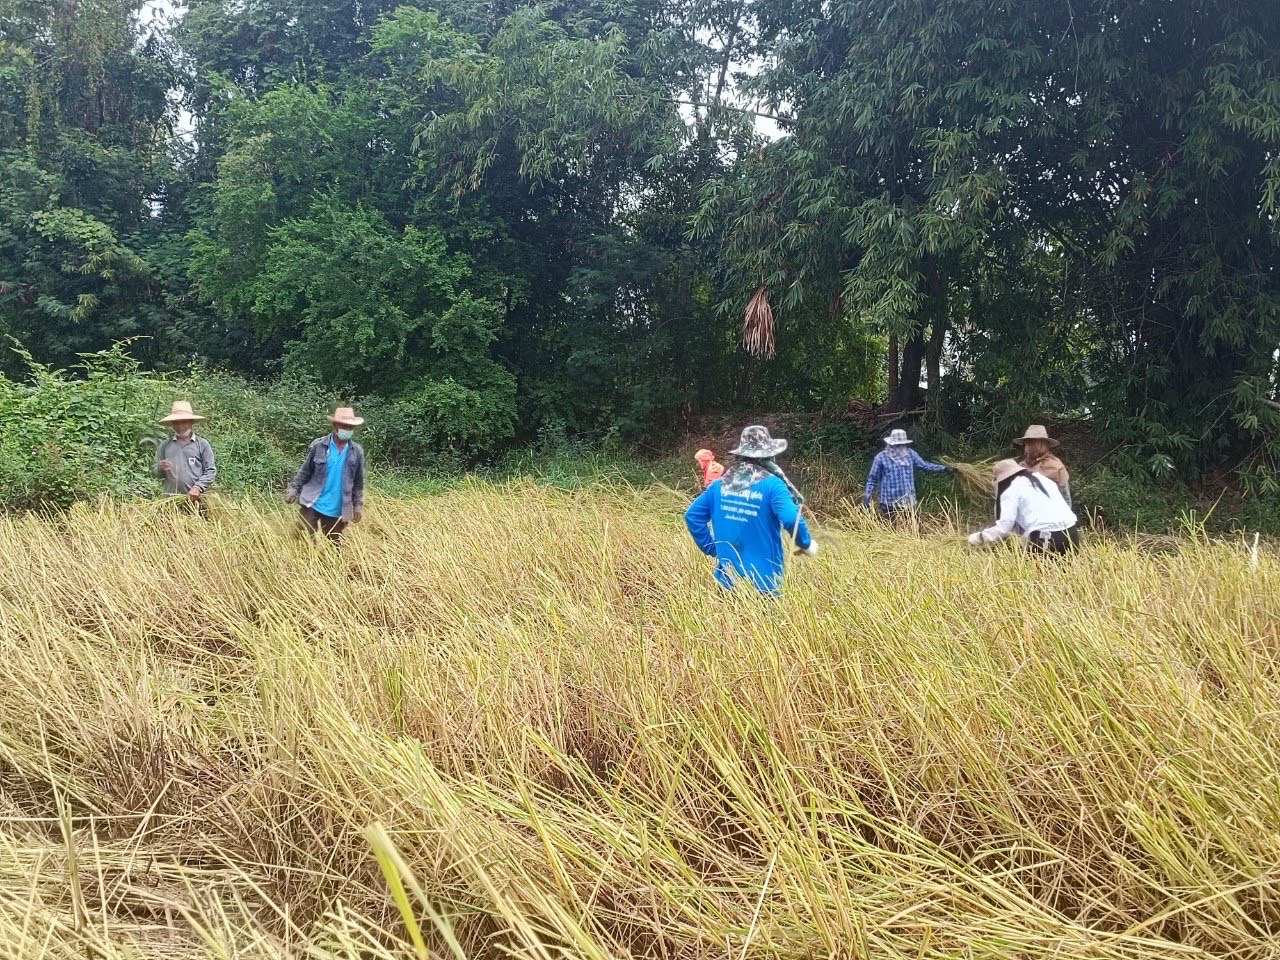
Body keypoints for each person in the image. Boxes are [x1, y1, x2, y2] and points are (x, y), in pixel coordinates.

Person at [685, 425, 817, 596]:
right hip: (765, 586)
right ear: (769, 456)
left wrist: (712, 548)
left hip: (727, 583)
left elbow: (692, 516)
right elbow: (792, 518)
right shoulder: (773, 486)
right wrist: (806, 544)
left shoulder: (719, 485)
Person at [285, 406, 366, 541]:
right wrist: (293, 489)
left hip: (337, 508)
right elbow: (305, 471)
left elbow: (358, 483)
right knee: (303, 536)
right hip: (313, 501)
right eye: (343, 426)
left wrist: (357, 506)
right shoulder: (319, 446)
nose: (347, 429)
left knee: (333, 543)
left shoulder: (356, 452)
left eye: (350, 427)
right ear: (335, 425)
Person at [967, 459, 1079, 554]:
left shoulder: (1010, 491)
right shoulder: (1043, 479)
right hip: (1071, 532)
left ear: (1002, 480)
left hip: (1046, 536)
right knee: (1066, 571)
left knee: (1038, 573)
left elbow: (1004, 527)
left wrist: (980, 537)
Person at [862, 428, 953, 519]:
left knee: (913, 527)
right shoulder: (881, 458)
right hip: (889, 504)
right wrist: (867, 499)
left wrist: (944, 468)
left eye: (901, 445)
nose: (899, 448)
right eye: (896, 445)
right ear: (891, 444)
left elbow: (924, 465)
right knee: (890, 527)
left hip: (908, 503)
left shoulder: (910, 454)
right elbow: (872, 480)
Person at [153, 400, 216, 509]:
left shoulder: (202, 444)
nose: (180, 426)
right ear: (172, 424)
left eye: (184, 422)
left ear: (191, 422)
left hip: (196, 502)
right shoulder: (165, 445)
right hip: (170, 502)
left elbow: (210, 471)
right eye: (176, 422)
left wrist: (198, 487)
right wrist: (160, 467)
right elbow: (155, 473)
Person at [1014, 424, 1071, 505]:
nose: (1026, 449)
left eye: (1030, 445)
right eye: (1025, 445)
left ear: (1039, 445)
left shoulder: (1055, 467)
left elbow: (1066, 499)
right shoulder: (1022, 466)